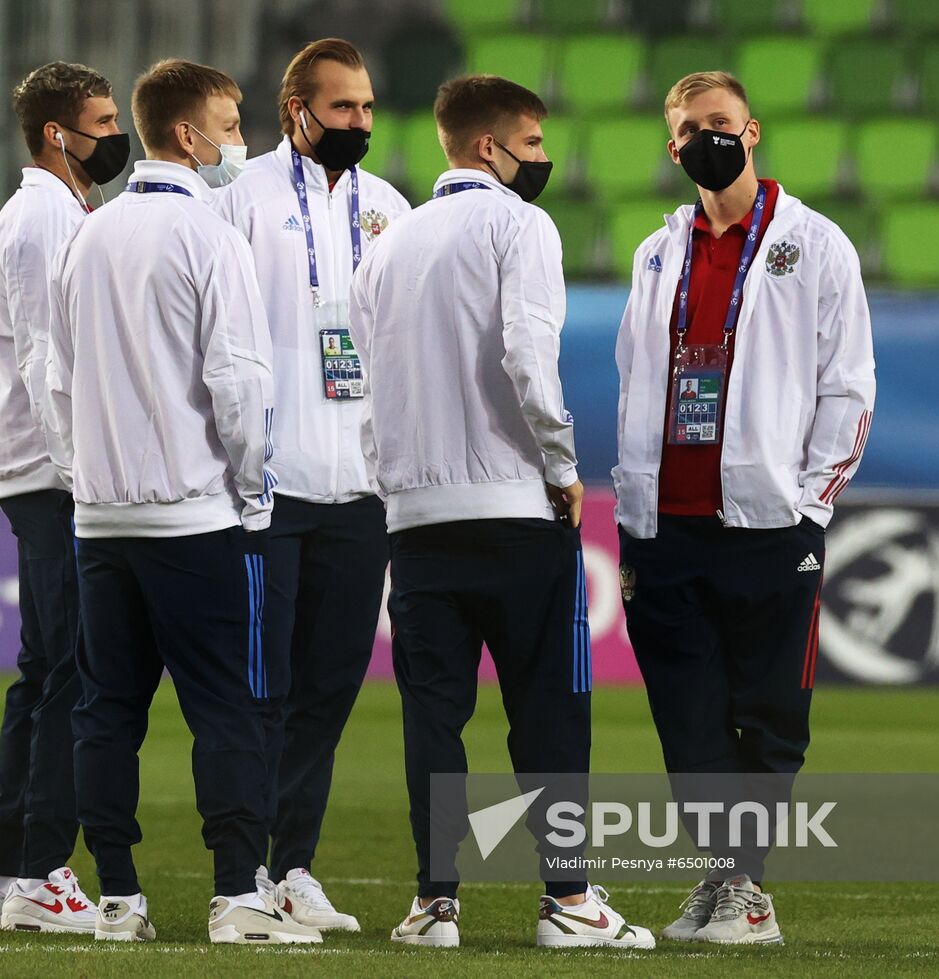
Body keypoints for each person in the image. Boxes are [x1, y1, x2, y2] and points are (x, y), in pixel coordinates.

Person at [349, 73, 655, 951]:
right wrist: (561, 463)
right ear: (489, 146)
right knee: (550, 710)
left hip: (416, 518)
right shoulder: (520, 225)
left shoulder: (388, 245)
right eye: (533, 142)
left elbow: (368, 389)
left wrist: (393, 486)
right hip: (515, 506)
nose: (544, 160)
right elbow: (526, 350)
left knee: (432, 716)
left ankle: (434, 904)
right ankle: (568, 900)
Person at [42, 58, 321, 946]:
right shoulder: (211, 238)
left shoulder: (88, 234)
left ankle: (118, 898)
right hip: (195, 517)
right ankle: (238, 893)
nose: (244, 141)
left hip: (102, 520)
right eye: (234, 125)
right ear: (192, 137)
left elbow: (55, 378)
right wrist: (252, 489)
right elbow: (238, 382)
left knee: (107, 711)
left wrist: (85, 476)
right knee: (227, 710)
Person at [612, 71, 875, 945]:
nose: (707, 138)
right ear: (672, 144)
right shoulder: (658, 253)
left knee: (767, 712)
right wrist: (634, 499)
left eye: (721, 123)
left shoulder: (815, 244)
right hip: (666, 524)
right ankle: (725, 875)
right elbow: (633, 379)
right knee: (686, 716)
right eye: (691, 128)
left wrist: (811, 506)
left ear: (753, 130)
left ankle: (744, 889)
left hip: (768, 523)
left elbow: (851, 385)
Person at [213, 37, 410, 932]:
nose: (360, 123)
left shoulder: (390, 209)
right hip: (267, 490)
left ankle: (292, 866)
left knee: (328, 688)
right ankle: (242, 872)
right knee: (261, 690)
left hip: (358, 494)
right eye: (344, 108)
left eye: (368, 107)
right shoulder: (241, 198)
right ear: (297, 111)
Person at [0, 60, 128, 934]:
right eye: (102, 123)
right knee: (74, 669)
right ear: (55, 135)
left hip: (40, 468)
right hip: (50, 471)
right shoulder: (40, 220)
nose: (115, 137)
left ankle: (7, 874)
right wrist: (82, 473)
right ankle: (40, 872)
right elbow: (41, 356)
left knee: (44, 670)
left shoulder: (59, 211)